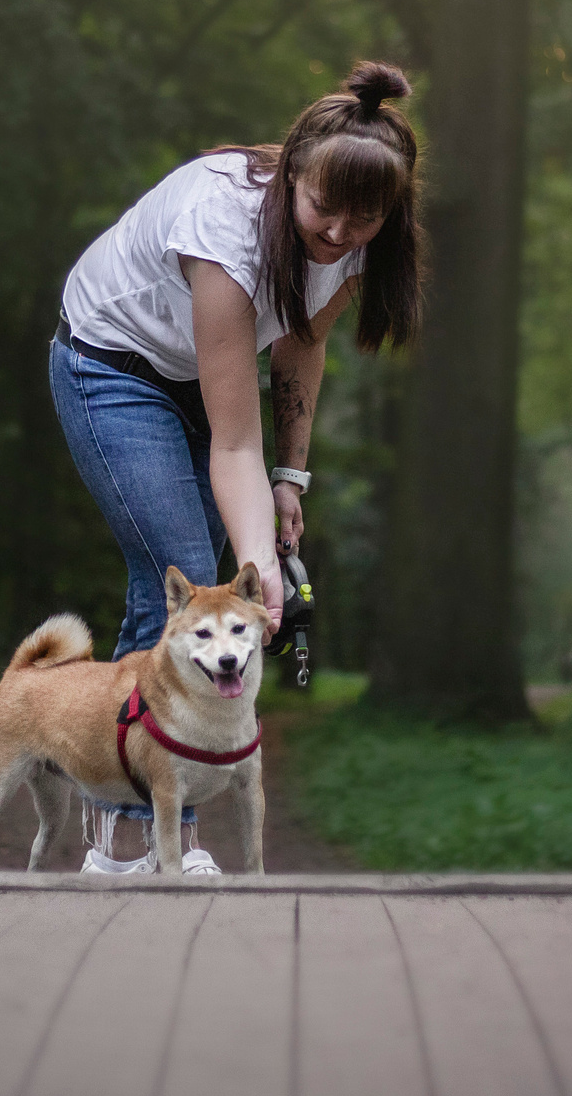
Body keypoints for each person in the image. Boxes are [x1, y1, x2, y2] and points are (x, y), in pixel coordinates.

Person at [52, 61, 423, 660]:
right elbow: (235, 445)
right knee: (188, 589)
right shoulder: (225, 224)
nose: (337, 232)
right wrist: (261, 569)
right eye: (323, 206)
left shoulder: (360, 244)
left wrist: (289, 479)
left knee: (179, 592)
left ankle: (120, 747)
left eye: (364, 219)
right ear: (293, 174)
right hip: (112, 367)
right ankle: (156, 753)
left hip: (199, 378)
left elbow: (301, 342)